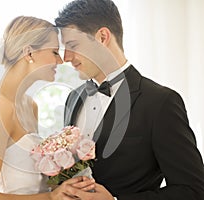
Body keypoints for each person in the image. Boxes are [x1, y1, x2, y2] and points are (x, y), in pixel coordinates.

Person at [55, 0, 204, 200]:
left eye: (73, 45)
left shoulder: (160, 103)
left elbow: (193, 190)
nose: (66, 57)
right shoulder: (73, 99)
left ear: (102, 37)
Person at [0, 16, 95, 200]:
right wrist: (52, 198)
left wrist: (67, 181)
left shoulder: (31, 106)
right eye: (54, 52)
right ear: (29, 53)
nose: (61, 60)